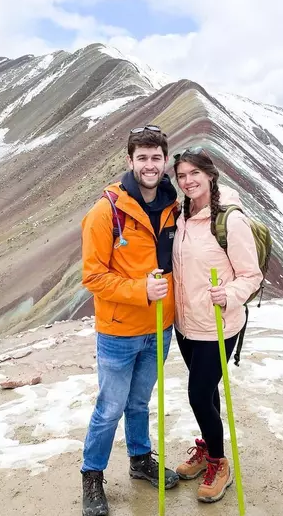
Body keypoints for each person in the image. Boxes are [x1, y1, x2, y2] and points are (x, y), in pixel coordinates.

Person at [80, 124, 181, 516]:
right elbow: (92, 276)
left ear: (165, 161)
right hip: (119, 331)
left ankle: (140, 461)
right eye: (143, 158)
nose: (150, 165)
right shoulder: (106, 211)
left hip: (160, 328)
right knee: (110, 407)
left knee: (139, 403)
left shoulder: (175, 205)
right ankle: (92, 476)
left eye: (156, 158)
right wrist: (140, 291)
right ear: (130, 161)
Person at [171, 147, 263, 503]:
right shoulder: (181, 214)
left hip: (219, 324)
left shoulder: (230, 219)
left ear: (210, 175)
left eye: (195, 173)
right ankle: (209, 448)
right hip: (187, 323)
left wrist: (230, 294)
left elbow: (250, 274)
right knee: (206, 394)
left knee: (197, 394)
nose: (188, 181)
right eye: (182, 176)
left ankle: (219, 463)